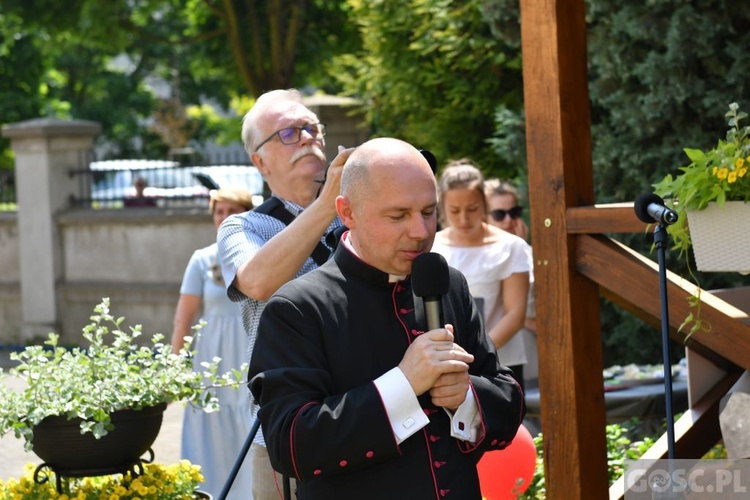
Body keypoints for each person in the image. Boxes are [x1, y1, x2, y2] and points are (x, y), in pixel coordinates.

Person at [248, 138, 525, 499]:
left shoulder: (448, 283)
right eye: (398, 216)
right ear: (348, 213)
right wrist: (404, 385)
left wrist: (467, 396)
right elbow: (291, 447)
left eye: (428, 212)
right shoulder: (298, 308)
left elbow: (508, 399)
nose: (421, 232)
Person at [217, 88, 354, 500]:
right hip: (285, 433)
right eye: (289, 133)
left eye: (312, 128)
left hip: (364, 415)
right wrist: (326, 206)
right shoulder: (242, 228)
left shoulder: (357, 215)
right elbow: (257, 282)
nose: (308, 137)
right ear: (259, 161)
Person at [171, 187, 255, 499]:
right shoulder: (201, 260)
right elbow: (184, 318)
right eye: (219, 212)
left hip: (249, 353)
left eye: (231, 211)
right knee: (210, 426)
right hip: (212, 359)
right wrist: (174, 367)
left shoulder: (260, 255)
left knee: (248, 425)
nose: (224, 218)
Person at [431, 161, 531, 392]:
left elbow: (515, 314)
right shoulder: (431, 246)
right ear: (441, 207)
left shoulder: (511, 246)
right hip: (445, 365)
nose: (464, 219)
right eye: (455, 211)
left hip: (501, 363)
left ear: (484, 204)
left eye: (473, 209)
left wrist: (473, 354)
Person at [485, 178, 538, 390]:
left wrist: (522, 248)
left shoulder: (524, 251)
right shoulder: (476, 256)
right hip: (495, 353)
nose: (508, 220)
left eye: (514, 212)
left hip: (527, 352)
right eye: (499, 214)